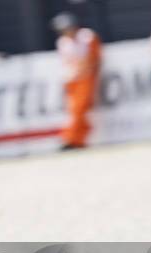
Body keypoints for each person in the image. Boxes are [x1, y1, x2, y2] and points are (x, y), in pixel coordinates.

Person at [52, 13, 102, 150]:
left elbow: (95, 58)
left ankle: (70, 138)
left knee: (79, 110)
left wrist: (86, 69)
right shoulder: (63, 42)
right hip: (72, 80)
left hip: (85, 79)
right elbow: (66, 63)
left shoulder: (87, 37)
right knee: (75, 111)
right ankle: (79, 140)